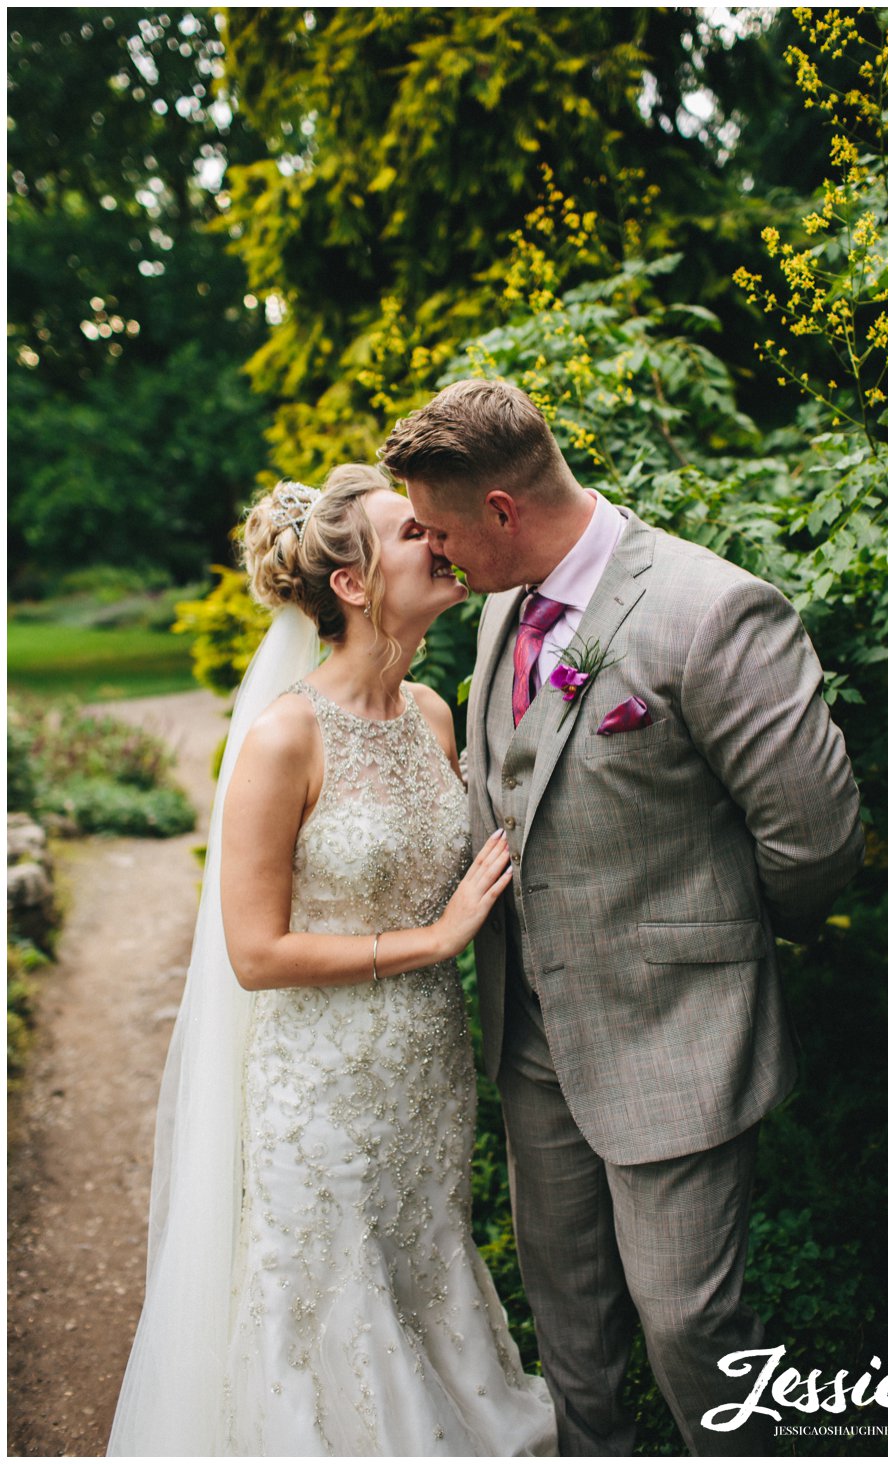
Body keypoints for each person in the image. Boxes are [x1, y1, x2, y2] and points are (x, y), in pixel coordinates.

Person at [382, 378, 864, 1456]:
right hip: (532, 1037)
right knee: (571, 1335)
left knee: (693, 1324)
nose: (437, 553)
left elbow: (817, 843)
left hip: (675, 1034)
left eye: (446, 530)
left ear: (503, 511)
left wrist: (716, 950)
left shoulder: (713, 611)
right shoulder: (504, 602)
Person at [110, 465, 555, 1454]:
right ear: (351, 584)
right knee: (331, 1310)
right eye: (412, 535)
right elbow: (256, 952)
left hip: (425, 1078)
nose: (440, 541)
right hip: (319, 1087)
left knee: (420, 1268)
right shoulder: (282, 740)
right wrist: (436, 940)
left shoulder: (437, 713)